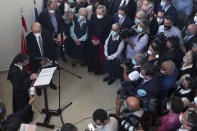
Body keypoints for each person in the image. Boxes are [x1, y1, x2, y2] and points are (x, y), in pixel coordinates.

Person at [7, 53, 37, 123]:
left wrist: (31, 74)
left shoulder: (22, 65)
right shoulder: (13, 71)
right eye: (26, 61)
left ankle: (29, 115)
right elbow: (18, 85)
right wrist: (30, 78)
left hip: (24, 90)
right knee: (21, 105)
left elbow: (25, 74)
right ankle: (24, 119)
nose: (27, 62)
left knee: (27, 102)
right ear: (19, 62)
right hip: (19, 93)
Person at [88, 5, 113, 74]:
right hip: (92, 41)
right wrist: (91, 39)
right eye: (97, 13)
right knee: (91, 56)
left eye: (100, 13)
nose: (98, 15)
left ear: (104, 12)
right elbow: (89, 28)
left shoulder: (109, 19)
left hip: (101, 42)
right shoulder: (93, 16)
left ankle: (97, 70)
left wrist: (100, 41)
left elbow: (109, 33)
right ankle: (91, 67)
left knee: (99, 58)